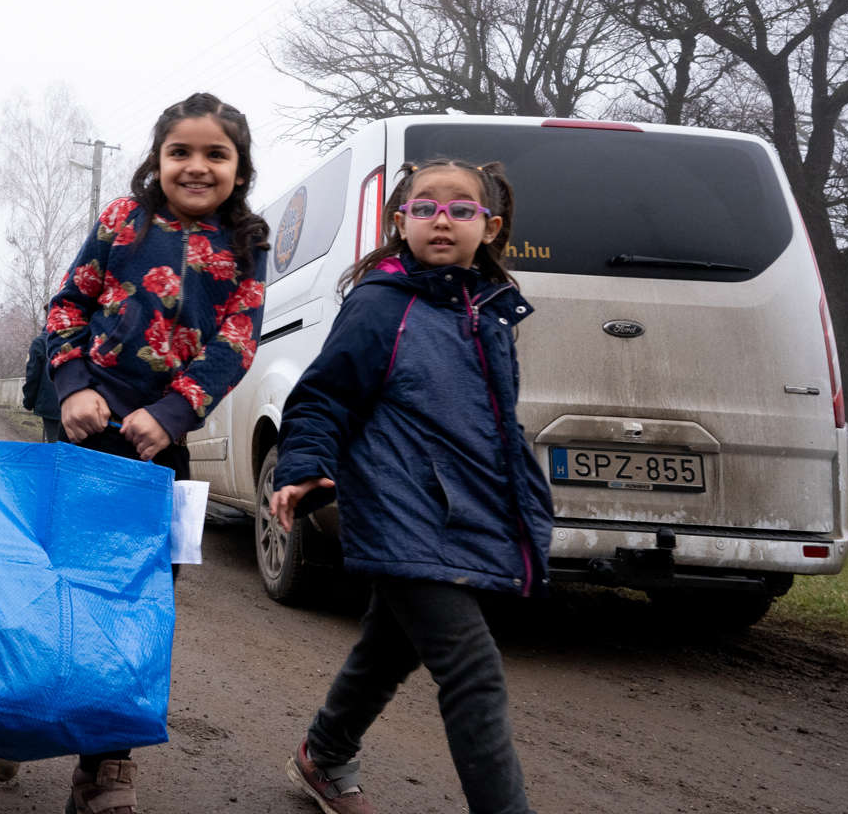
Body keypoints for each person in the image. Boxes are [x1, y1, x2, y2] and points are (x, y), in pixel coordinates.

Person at [270, 158, 552, 814]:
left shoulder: (490, 311)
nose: (442, 220)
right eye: (424, 208)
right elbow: (324, 395)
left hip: (461, 508)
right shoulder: (380, 303)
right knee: (473, 672)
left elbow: (489, 424)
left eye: (461, 209)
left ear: (491, 226)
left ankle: (325, 754)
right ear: (401, 222)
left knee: (389, 645)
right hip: (399, 505)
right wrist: (303, 463)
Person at [43, 91, 269, 814]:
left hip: (165, 450)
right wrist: (74, 384)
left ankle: (105, 763)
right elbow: (67, 307)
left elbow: (238, 342)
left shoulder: (247, 243)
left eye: (215, 154)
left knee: (144, 599)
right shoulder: (122, 221)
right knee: (64, 584)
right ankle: (20, 717)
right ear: (157, 159)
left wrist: (173, 414)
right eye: (181, 151)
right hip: (85, 432)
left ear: (240, 166)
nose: (196, 166)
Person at [21, 318, 61, 441]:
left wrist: (28, 402)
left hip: (51, 405)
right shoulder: (80, 338)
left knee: (53, 446)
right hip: (79, 405)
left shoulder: (40, 342)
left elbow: (33, 375)